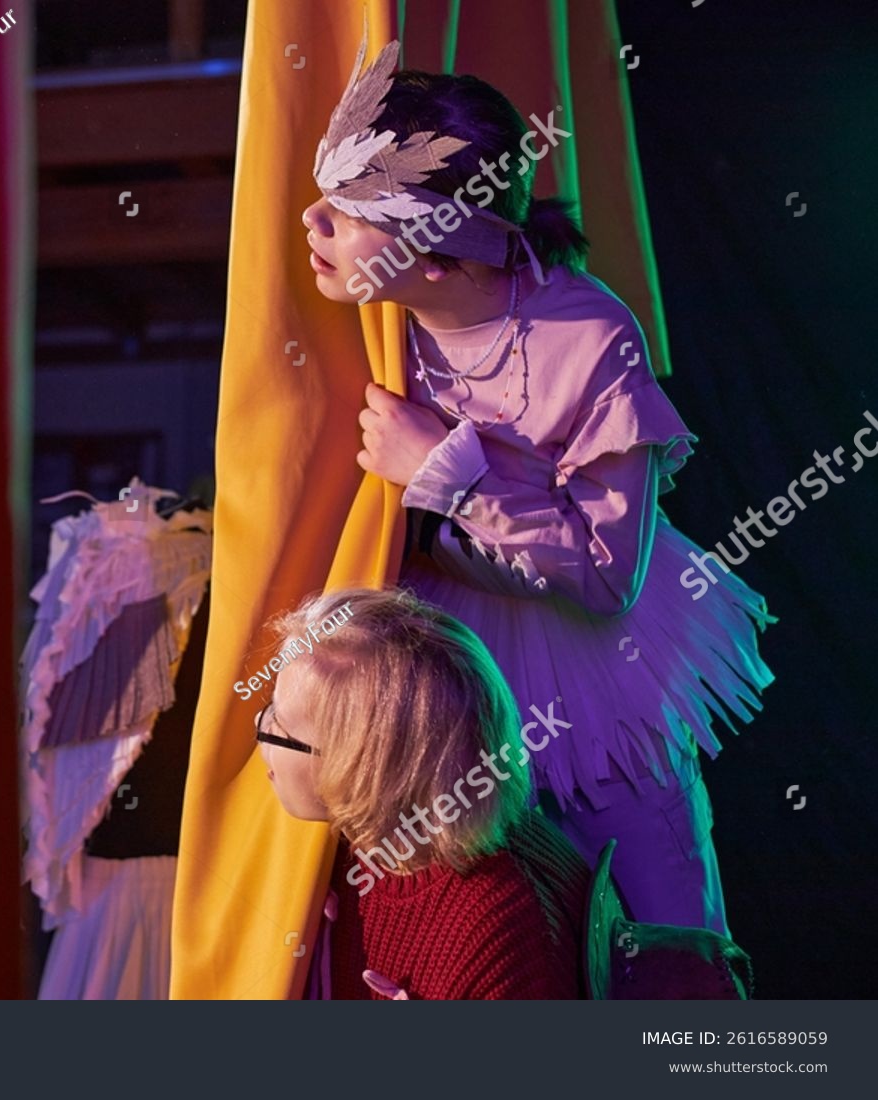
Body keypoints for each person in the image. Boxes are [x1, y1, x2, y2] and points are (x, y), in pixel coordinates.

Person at [298, 38, 773, 934]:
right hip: (447, 685)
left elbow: (606, 578)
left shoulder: (586, 334)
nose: (310, 224)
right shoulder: (365, 329)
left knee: (659, 933)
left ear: (437, 254)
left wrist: (446, 471)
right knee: (489, 938)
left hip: (588, 672)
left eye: (347, 211)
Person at [259, 587, 591, 999]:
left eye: (282, 728)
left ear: (362, 769)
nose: (263, 731)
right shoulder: (375, 834)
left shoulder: (503, 939)